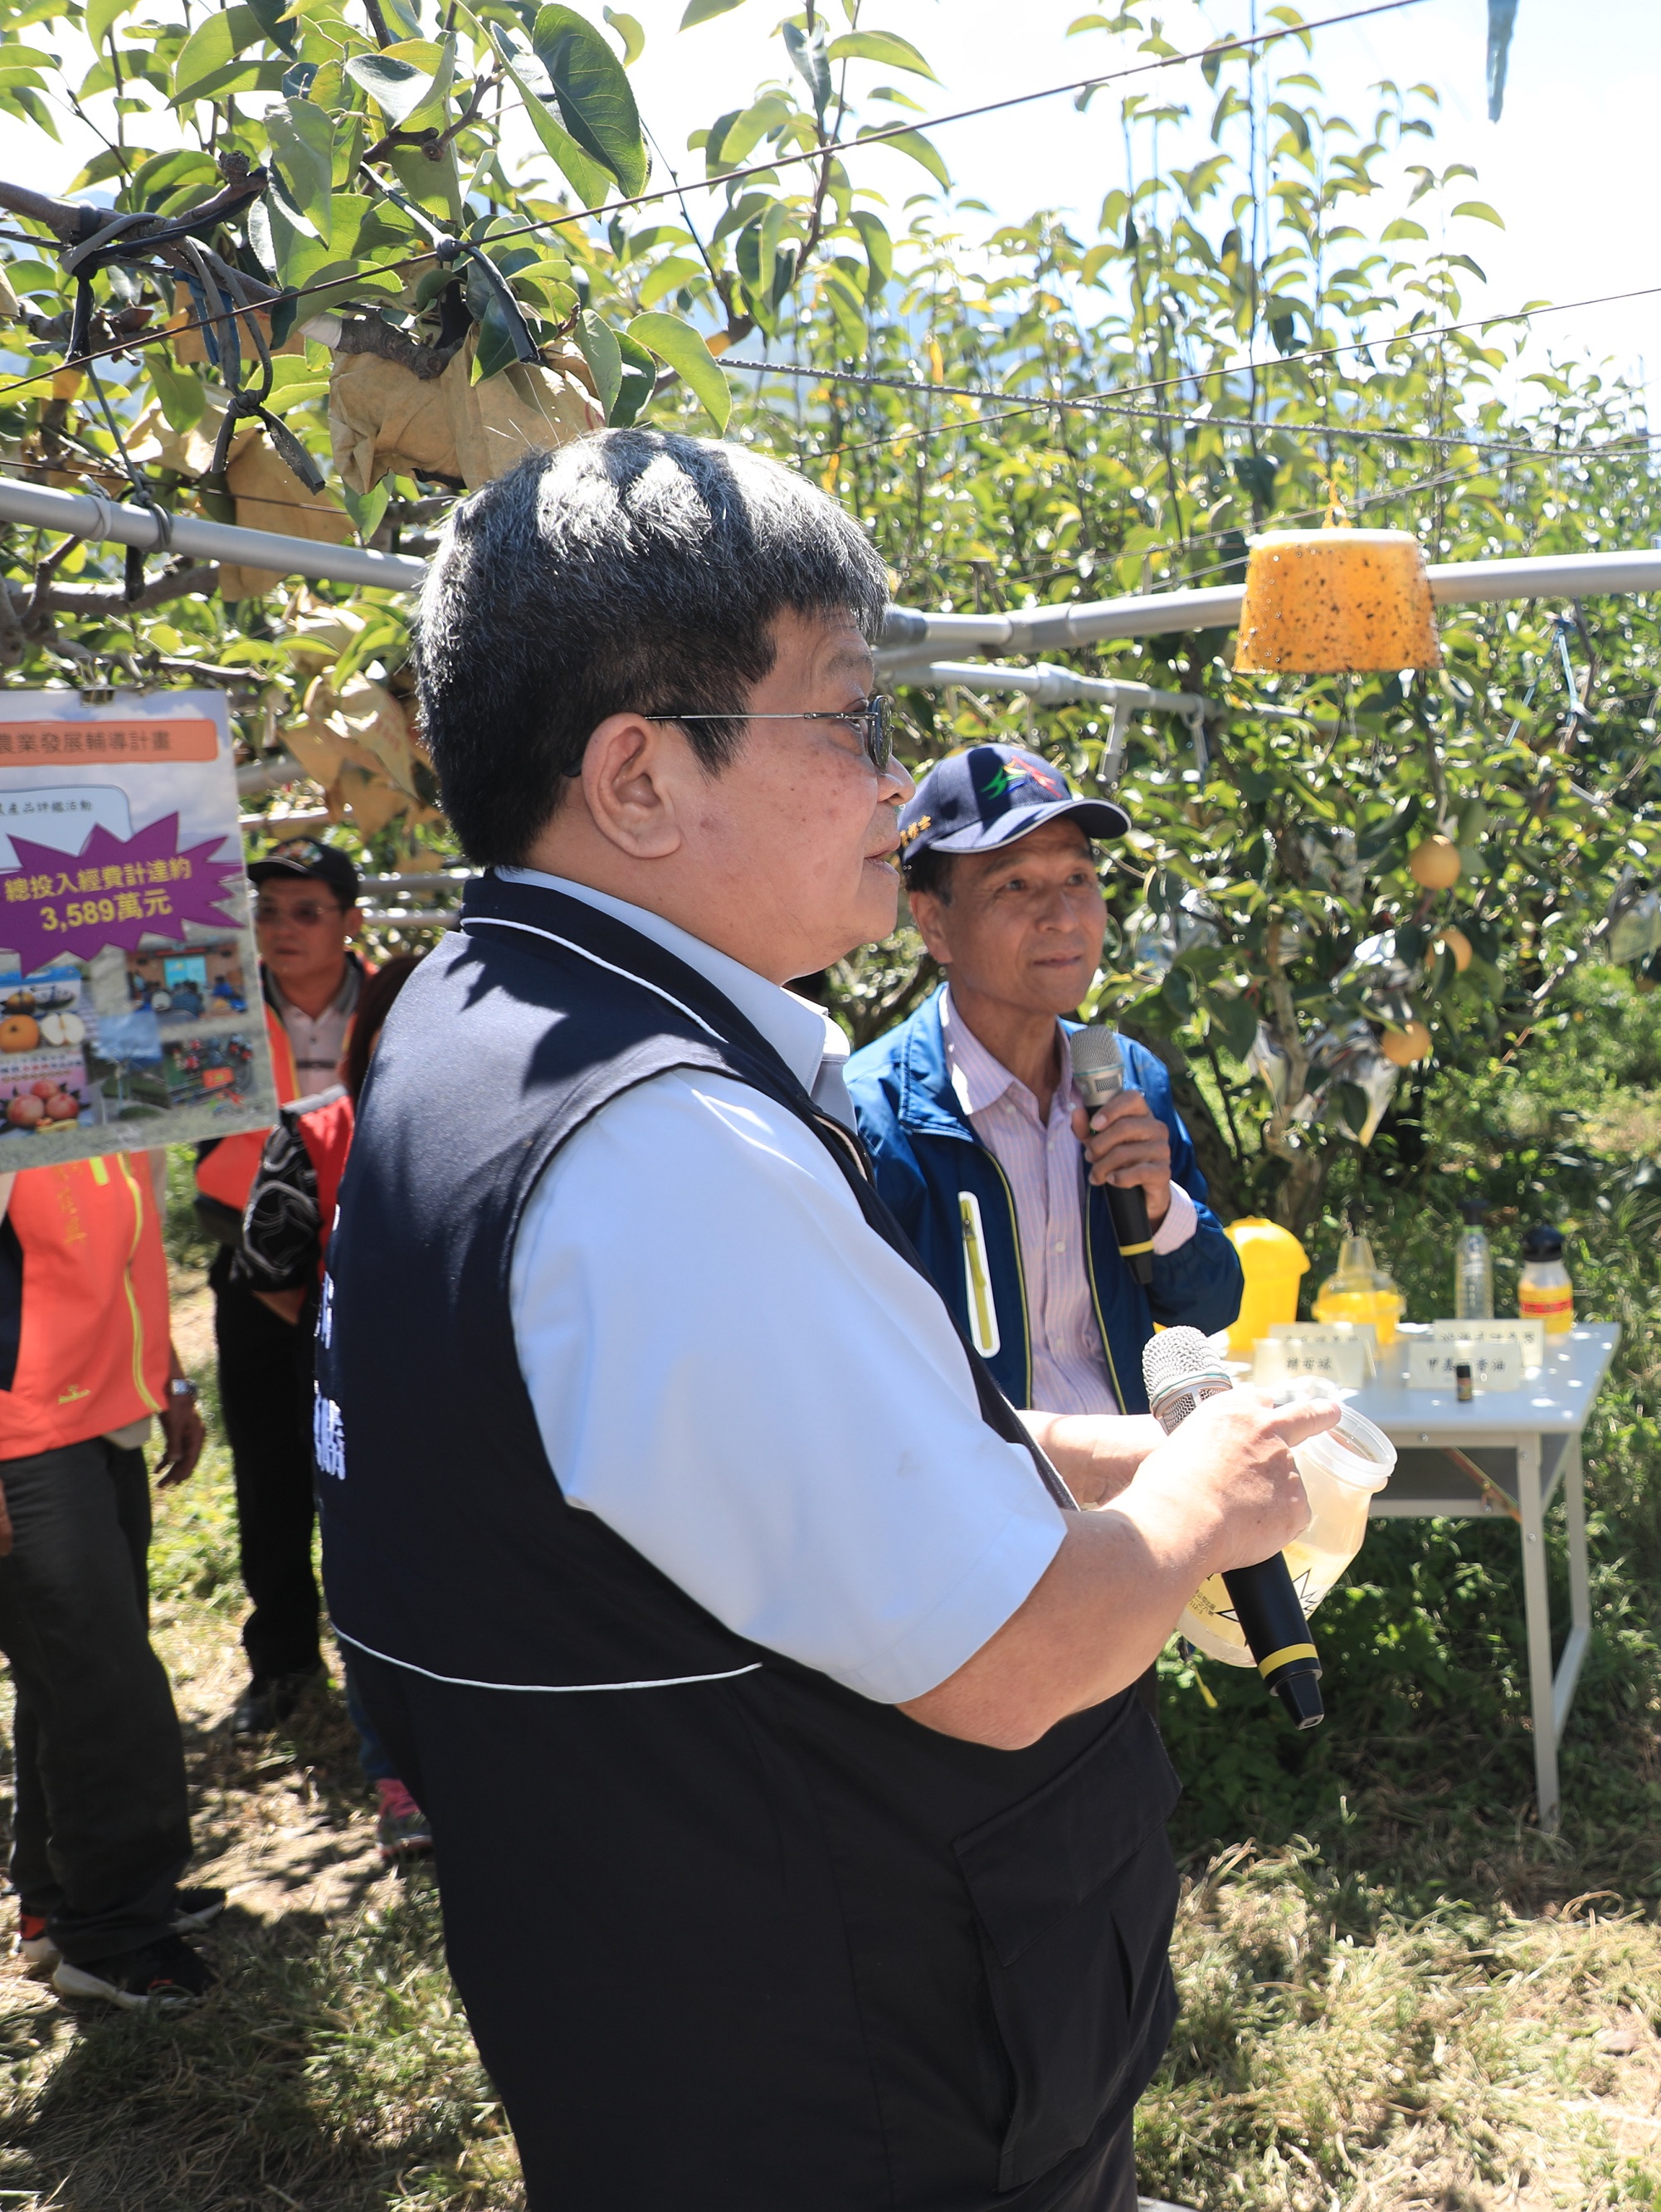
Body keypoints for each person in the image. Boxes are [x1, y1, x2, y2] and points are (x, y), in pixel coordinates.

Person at [315, 429, 1327, 2210]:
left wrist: (1113, 1450)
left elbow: (772, 1468)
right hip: (851, 2084)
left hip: (686, 2033)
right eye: (850, 718)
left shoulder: (490, 1042)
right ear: (640, 779)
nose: (891, 786)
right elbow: (1011, 1655)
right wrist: (1207, 1493)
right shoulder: (659, 1148)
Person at [852, 745, 1244, 1415]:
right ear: (934, 923)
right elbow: (860, 1377)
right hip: (978, 1501)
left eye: (1078, 880)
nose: (1063, 917)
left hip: (1135, 1492)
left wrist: (1159, 1206)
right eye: (1016, 885)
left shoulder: (1126, 1080)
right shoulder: (875, 1115)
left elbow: (1208, 1309)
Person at [0, 1149, 222, 2010]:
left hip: (101, 1413)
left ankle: (58, 1903)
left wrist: (164, 1370)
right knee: (105, 1685)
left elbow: (125, 1244)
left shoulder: (101, 1084)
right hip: (22, 1440)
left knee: (76, 1671)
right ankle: (118, 1931)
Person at [221, 956, 426, 1863]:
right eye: (397, 1029)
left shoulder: (491, 1126)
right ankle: (397, 1779)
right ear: (366, 1037)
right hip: (359, 1409)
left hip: (469, 1423)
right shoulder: (316, 1131)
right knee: (378, 1592)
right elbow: (265, 1270)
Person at [202, 835, 367, 1735]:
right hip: (254, 1267)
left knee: (371, 1456)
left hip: (366, 1263)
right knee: (268, 1467)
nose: (283, 929)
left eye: (307, 911)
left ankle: (383, 1651)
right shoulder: (208, 1007)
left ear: (350, 921)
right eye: (267, 912)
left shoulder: (397, 1005)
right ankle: (284, 1659)